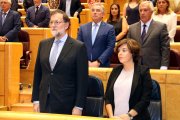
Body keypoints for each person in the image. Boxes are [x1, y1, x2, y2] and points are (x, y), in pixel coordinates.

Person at [32, 9, 88, 114]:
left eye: (57, 22)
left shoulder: (78, 47)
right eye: (51, 22)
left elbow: (82, 80)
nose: (53, 25)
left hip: (66, 103)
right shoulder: (43, 44)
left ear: (66, 25)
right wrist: (36, 100)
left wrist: (79, 106)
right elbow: (37, 74)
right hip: (44, 101)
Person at [105, 38, 152, 120]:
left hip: (135, 117)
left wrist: (129, 115)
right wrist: (111, 116)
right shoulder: (115, 71)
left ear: (132, 53)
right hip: (115, 118)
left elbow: (145, 99)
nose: (120, 53)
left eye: (124, 50)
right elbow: (107, 97)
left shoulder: (143, 72)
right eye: (118, 51)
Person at [127, 1, 170, 69]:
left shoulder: (161, 27)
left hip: (154, 65)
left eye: (145, 10)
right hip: (135, 66)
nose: (142, 13)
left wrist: (164, 65)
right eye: (140, 10)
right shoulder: (132, 28)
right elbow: (128, 48)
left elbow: (165, 49)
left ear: (151, 12)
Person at [77, 3, 116, 67]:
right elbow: (79, 46)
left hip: (102, 65)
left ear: (103, 14)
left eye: (98, 10)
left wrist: (99, 61)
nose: (95, 12)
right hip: (84, 64)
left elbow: (110, 47)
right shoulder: (82, 28)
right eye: (93, 10)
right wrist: (85, 60)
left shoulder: (109, 28)